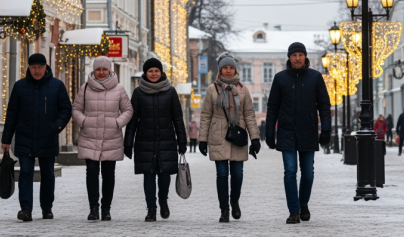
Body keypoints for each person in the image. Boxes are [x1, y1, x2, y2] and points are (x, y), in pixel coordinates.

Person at [265, 42, 331, 224]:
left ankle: (303, 204)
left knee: (308, 173)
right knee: (290, 171)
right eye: (294, 55)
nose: (297, 58)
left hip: (308, 131)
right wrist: (269, 133)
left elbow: (324, 106)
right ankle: (293, 211)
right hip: (287, 132)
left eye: (300, 55)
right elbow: (272, 107)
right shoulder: (280, 79)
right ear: (289, 57)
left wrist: (326, 129)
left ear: (305, 57)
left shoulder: (315, 78)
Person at [1, 53, 71, 222]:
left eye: (40, 67)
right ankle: (26, 209)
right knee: (25, 172)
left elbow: (66, 110)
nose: (37, 71)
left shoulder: (57, 85)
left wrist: (56, 128)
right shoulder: (20, 87)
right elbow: (12, 114)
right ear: (29, 68)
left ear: (46, 67)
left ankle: (47, 208)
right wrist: (6, 139)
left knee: (47, 174)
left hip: (48, 136)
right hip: (25, 136)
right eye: (33, 67)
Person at [198, 53, 260, 223]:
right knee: (222, 174)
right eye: (225, 68)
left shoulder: (243, 89)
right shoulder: (212, 89)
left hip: (238, 135)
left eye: (231, 68)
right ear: (220, 70)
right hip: (218, 135)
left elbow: (249, 115)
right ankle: (224, 209)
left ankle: (235, 201)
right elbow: (205, 115)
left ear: (235, 70)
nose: (228, 71)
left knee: (238, 174)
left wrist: (255, 138)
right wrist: (202, 139)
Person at [124, 58, 187, 222]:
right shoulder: (138, 92)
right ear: (145, 73)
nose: (153, 74)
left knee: (165, 176)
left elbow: (178, 118)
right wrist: (128, 142)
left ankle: (163, 200)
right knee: (149, 176)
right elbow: (132, 119)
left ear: (161, 72)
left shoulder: (170, 91)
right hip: (145, 141)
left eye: (156, 71)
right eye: (150, 71)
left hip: (166, 140)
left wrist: (182, 141)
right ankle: (151, 208)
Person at [72, 56, 133, 221]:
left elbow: (128, 110)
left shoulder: (119, 89)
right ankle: (93, 208)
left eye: (104, 69)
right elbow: (76, 109)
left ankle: (106, 208)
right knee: (91, 173)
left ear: (110, 70)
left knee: (108, 174)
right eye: (98, 69)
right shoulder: (85, 88)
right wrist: (83, 121)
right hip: (89, 136)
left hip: (111, 137)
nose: (101, 72)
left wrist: (117, 123)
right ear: (93, 70)